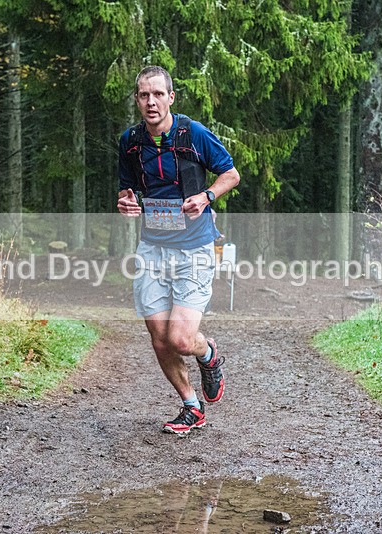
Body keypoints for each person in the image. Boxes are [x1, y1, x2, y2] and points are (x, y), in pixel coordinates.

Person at [117, 66, 240, 434]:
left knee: (181, 339)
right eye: (144, 95)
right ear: (137, 100)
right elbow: (127, 189)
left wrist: (206, 196)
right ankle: (191, 406)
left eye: (158, 94)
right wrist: (126, 202)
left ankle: (208, 354)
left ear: (171, 97)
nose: (151, 101)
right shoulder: (130, 141)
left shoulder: (192, 133)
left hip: (194, 248)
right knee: (159, 339)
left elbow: (231, 174)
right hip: (152, 248)